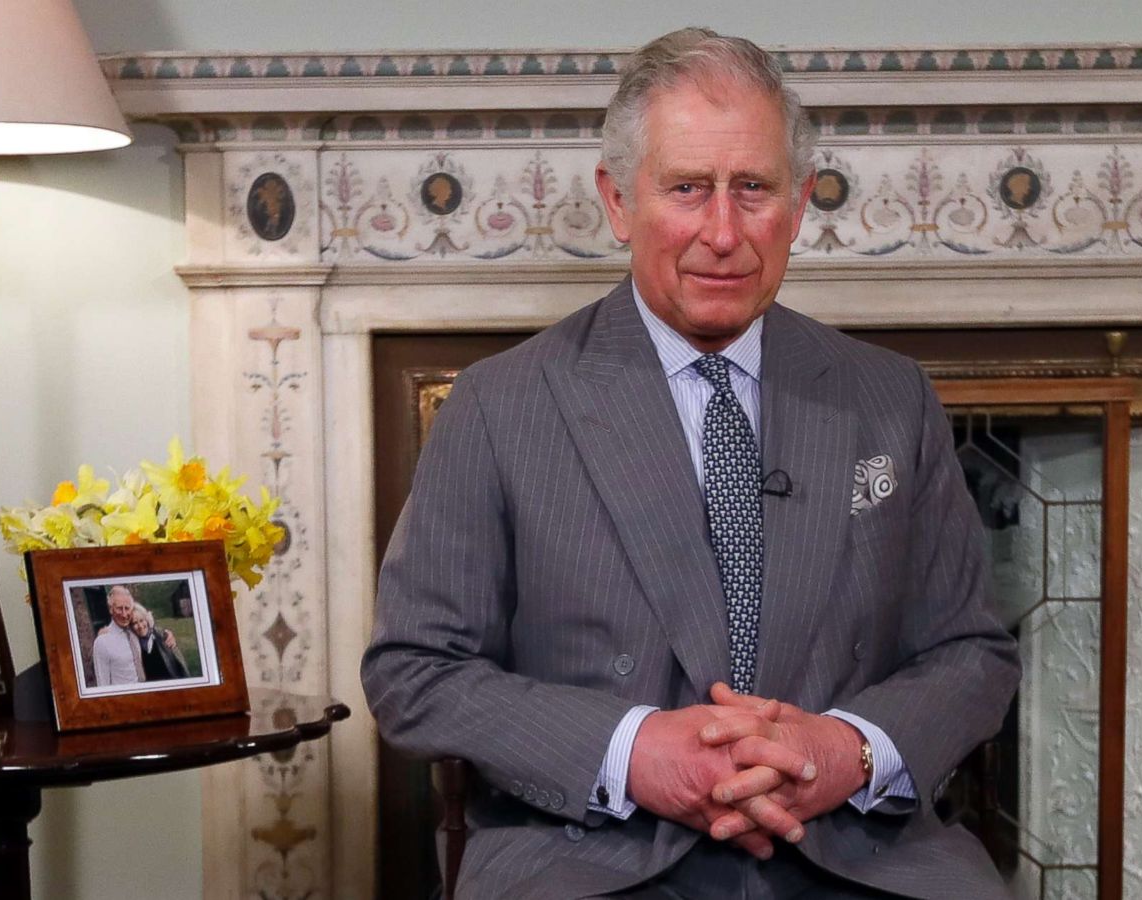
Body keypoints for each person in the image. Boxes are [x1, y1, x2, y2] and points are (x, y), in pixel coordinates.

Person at [361, 28, 1020, 900]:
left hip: (860, 852)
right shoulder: (498, 407)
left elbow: (971, 652)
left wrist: (850, 751)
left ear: (800, 201)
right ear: (618, 201)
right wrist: (632, 751)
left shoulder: (889, 398)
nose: (723, 232)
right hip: (590, 855)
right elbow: (413, 671)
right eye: (687, 189)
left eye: (753, 189)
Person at [91, 585, 144, 687]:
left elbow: (150, 631)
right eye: (119, 608)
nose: (124, 614)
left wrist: (167, 635)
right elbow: (103, 684)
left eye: (127, 608)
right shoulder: (102, 642)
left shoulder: (135, 630)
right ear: (111, 609)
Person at [131, 603, 190, 681]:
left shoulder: (162, 636)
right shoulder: (133, 645)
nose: (140, 626)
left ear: (147, 620)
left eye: (142, 620)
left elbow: (180, 663)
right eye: (135, 623)